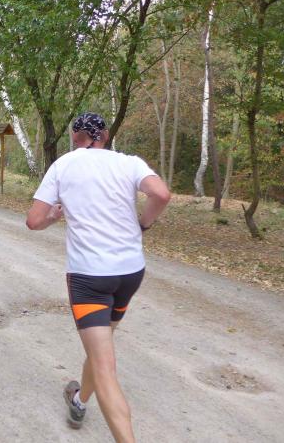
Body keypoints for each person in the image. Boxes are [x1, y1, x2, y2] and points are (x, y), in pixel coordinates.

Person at [26, 112, 171, 442]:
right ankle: (79, 401)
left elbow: (33, 221)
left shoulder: (63, 165)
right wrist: (143, 224)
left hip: (90, 277)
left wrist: (53, 217)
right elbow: (161, 194)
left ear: (75, 138)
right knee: (101, 347)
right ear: (105, 136)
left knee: (105, 367)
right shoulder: (129, 163)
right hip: (130, 272)